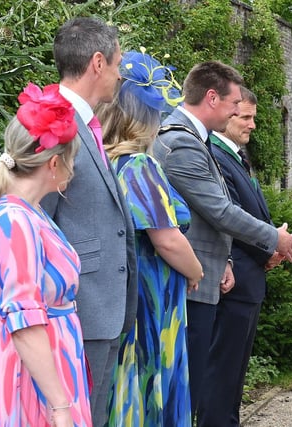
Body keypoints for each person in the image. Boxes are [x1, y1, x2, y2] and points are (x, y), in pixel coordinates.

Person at [152, 60, 292, 422]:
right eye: (235, 105)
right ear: (212, 97)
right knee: (189, 389)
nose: (239, 113)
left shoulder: (194, 140)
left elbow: (206, 214)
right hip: (190, 282)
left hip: (209, 274)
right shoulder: (181, 144)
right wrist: (274, 239)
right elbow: (219, 210)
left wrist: (227, 260)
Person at [0, 83, 91, 426]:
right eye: (72, 159)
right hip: (29, 377)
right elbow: (24, 324)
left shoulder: (28, 213)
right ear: (54, 163)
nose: (74, 169)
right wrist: (60, 406)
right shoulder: (13, 220)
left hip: (43, 370)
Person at [94, 50, 202, 426]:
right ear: (144, 119)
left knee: (128, 381)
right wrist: (195, 270)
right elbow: (166, 239)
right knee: (150, 378)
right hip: (151, 294)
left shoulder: (103, 161)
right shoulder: (139, 166)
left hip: (123, 290)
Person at [40, 17, 138, 427]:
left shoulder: (87, 123)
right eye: (117, 65)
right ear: (98, 63)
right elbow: (37, 223)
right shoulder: (51, 122)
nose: (118, 76)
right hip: (76, 311)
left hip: (101, 309)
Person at [197, 87, 284, 426]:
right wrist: (269, 249)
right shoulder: (217, 156)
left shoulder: (235, 156)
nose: (252, 125)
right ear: (225, 116)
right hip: (234, 280)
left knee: (235, 372)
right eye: (245, 117)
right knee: (222, 371)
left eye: (253, 118)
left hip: (249, 280)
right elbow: (228, 216)